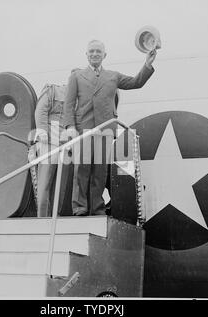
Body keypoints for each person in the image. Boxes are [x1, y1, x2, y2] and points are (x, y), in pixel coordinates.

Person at [63, 39, 156, 216]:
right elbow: (68, 104)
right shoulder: (76, 76)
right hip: (84, 129)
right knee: (81, 169)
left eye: (98, 51)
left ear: (104, 55)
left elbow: (136, 82)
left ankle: (96, 208)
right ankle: (80, 207)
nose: (95, 54)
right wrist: (69, 126)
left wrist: (147, 64)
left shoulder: (113, 76)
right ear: (86, 55)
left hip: (105, 129)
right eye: (91, 51)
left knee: (100, 171)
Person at [34, 83, 67, 217]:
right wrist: (42, 131)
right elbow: (40, 110)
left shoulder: (79, 97)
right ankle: (43, 217)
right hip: (49, 141)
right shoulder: (52, 90)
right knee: (45, 181)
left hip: (67, 143)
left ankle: (55, 216)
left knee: (61, 184)